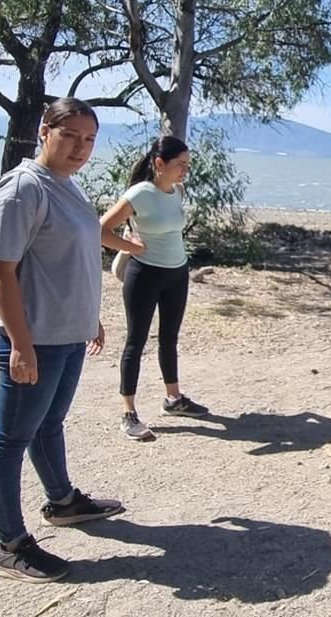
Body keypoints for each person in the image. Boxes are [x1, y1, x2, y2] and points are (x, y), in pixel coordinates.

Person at [0, 98, 124, 583]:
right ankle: (11, 545)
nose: (81, 148)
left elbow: (72, 259)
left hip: (67, 335)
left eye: (89, 139)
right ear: (45, 132)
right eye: (70, 136)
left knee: (49, 424)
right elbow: (0, 268)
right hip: (33, 340)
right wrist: (19, 343)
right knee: (8, 439)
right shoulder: (23, 189)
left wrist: (90, 318)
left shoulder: (67, 185)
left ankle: (62, 502)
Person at [100, 136, 209, 441]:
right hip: (145, 274)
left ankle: (173, 400)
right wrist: (129, 247)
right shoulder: (140, 194)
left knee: (169, 339)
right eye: (180, 164)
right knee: (136, 342)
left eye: (188, 164)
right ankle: (128, 413)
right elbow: (100, 230)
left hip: (177, 273)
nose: (185, 170)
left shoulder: (177, 191)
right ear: (159, 164)